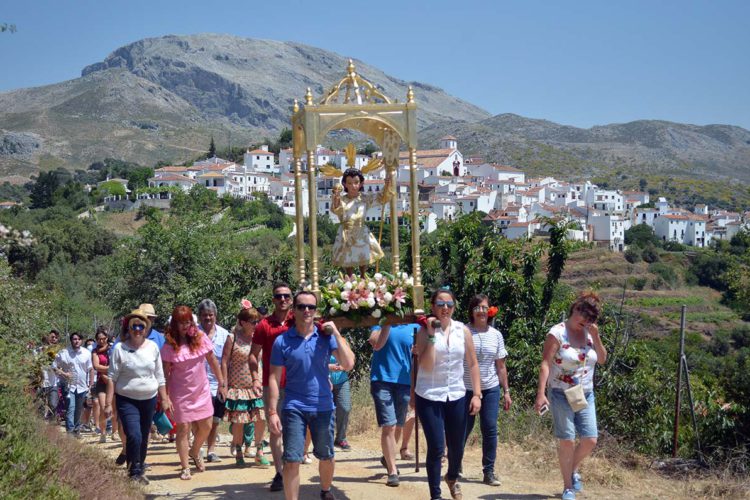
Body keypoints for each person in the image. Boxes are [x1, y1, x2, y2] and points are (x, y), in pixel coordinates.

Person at [267, 291, 355, 500]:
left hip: (323, 406)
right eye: (301, 306)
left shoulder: (326, 338)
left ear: (316, 311)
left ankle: (325, 490)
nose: (307, 310)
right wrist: (272, 412)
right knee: (292, 459)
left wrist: (336, 334)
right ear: (293, 310)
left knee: (326, 456)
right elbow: (273, 378)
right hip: (294, 407)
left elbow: (349, 363)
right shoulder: (282, 341)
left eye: (311, 307)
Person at [534, 292, 607, 500]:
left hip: (585, 392)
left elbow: (601, 359)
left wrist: (597, 336)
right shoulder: (557, 333)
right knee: (567, 439)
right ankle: (568, 487)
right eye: (582, 314)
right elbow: (545, 364)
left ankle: (572, 469)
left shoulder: (591, 335)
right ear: (574, 309)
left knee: (590, 439)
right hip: (559, 392)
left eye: (590, 318)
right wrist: (541, 393)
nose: (584, 320)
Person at [414, 289, 482, 500]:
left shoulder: (463, 330)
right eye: (441, 304)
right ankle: (436, 495)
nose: (445, 308)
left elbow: (472, 363)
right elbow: (426, 365)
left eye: (449, 304)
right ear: (433, 306)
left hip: (456, 394)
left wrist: (477, 394)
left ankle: (452, 477)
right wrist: (432, 335)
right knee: (435, 446)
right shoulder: (423, 331)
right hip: (429, 395)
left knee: (457, 446)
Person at [105, 309, 171, 484]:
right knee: (133, 434)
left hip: (149, 399)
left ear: (146, 328)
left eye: (141, 326)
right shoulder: (120, 348)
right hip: (126, 399)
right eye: (134, 326)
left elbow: (160, 375)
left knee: (143, 435)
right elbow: (112, 377)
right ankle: (134, 472)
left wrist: (164, 398)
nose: (137, 329)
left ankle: (138, 467)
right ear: (128, 327)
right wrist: (108, 404)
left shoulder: (152, 347)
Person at [161, 305, 227, 480]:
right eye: (180, 322)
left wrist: (222, 383)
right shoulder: (169, 343)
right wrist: (166, 396)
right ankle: (185, 467)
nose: (184, 325)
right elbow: (165, 373)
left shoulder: (200, 337)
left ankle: (194, 451)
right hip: (179, 393)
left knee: (207, 425)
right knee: (183, 429)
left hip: (201, 390)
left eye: (187, 321)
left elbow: (212, 360)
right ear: (174, 324)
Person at [461, 294, 512, 486]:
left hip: (490, 388)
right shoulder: (463, 331)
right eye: (477, 307)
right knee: (463, 429)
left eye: (484, 307)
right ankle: (455, 465)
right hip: (465, 388)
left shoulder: (496, 335)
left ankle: (488, 471)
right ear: (472, 311)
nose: (481, 311)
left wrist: (506, 390)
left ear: (490, 310)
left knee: (490, 428)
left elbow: (500, 365)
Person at [251, 282, 295, 492]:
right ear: (273, 300)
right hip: (273, 385)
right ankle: (280, 472)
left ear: (292, 298)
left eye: (286, 295)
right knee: (276, 430)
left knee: (294, 430)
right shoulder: (264, 325)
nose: (283, 299)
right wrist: (256, 378)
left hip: (297, 384)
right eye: (279, 296)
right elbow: (253, 354)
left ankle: (290, 469)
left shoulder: (300, 320)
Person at [367, 323, 418, 487]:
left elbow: (418, 357)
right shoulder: (380, 325)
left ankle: (387, 458)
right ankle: (392, 470)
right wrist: (387, 323)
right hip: (381, 380)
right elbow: (374, 342)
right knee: (388, 425)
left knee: (398, 425)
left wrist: (414, 388)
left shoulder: (415, 327)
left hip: (404, 382)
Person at [221, 304, 270, 468]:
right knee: (239, 421)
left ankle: (259, 451)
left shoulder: (259, 338)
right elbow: (224, 362)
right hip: (238, 387)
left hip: (257, 385)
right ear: (242, 322)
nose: (256, 324)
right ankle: (238, 451)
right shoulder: (232, 337)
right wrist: (224, 384)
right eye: (252, 321)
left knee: (261, 418)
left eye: (257, 321)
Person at [331, 168, 391, 277]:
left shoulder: (365, 198)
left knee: (364, 255)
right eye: (350, 183)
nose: (353, 186)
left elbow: (380, 197)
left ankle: (363, 276)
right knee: (348, 257)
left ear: (361, 183)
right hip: (346, 231)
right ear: (345, 184)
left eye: (356, 182)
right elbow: (336, 209)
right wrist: (336, 198)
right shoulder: (342, 199)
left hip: (361, 231)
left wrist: (386, 186)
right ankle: (349, 279)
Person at [197, 298, 231, 463]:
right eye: (204, 315)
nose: (207, 318)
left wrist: (224, 384)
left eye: (210, 315)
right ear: (199, 316)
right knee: (200, 419)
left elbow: (226, 361)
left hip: (218, 384)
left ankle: (211, 450)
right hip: (197, 385)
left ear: (215, 316)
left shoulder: (225, 335)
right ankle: (198, 448)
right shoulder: (193, 334)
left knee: (215, 420)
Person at [53, 332, 95, 436]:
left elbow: (90, 369)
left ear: (81, 341)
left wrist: (91, 383)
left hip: (82, 386)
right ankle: (70, 432)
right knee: (70, 408)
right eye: (74, 339)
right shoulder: (64, 352)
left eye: (78, 339)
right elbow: (54, 366)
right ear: (71, 341)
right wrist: (64, 373)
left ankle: (76, 429)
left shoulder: (86, 353)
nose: (76, 341)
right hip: (68, 386)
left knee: (78, 409)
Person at [92, 329, 111, 442]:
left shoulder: (113, 348)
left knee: (114, 407)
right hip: (101, 382)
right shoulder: (95, 352)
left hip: (114, 381)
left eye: (103, 338)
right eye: (99, 339)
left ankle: (114, 431)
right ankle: (103, 432)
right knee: (104, 407)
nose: (101, 341)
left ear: (107, 338)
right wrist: (110, 369)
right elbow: (96, 366)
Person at [328, 354, 351, 452]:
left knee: (345, 408)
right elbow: (313, 360)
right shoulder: (318, 341)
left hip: (342, 381)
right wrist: (329, 367)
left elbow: (350, 359)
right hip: (323, 380)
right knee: (328, 412)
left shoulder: (343, 342)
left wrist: (344, 366)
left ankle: (340, 439)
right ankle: (327, 440)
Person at [38, 329, 61, 421]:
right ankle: (39, 425)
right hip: (41, 382)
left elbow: (61, 365)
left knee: (53, 404)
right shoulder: (39, 350)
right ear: (47, 337)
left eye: (56, 337)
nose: (54, 339)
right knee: (40, 406)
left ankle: (52, 424)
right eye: (52, 337)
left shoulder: (59, 352)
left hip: (53, 382)